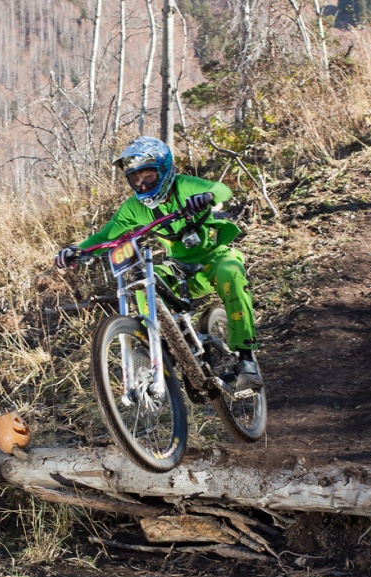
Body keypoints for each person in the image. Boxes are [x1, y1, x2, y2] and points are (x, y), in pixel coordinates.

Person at [55, 136, 263, 391]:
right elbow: (104, 236)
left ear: (164, 171)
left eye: (149, 176)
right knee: (145, 283)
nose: (142, 184)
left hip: (215, 259)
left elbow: (222, 190)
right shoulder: (134, 208)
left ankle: (246, 360)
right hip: (180, 268)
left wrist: (207, 196)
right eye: (135, 179)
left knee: (231, 275)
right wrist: (77, 250)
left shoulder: (184, 185)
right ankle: (157, 347)